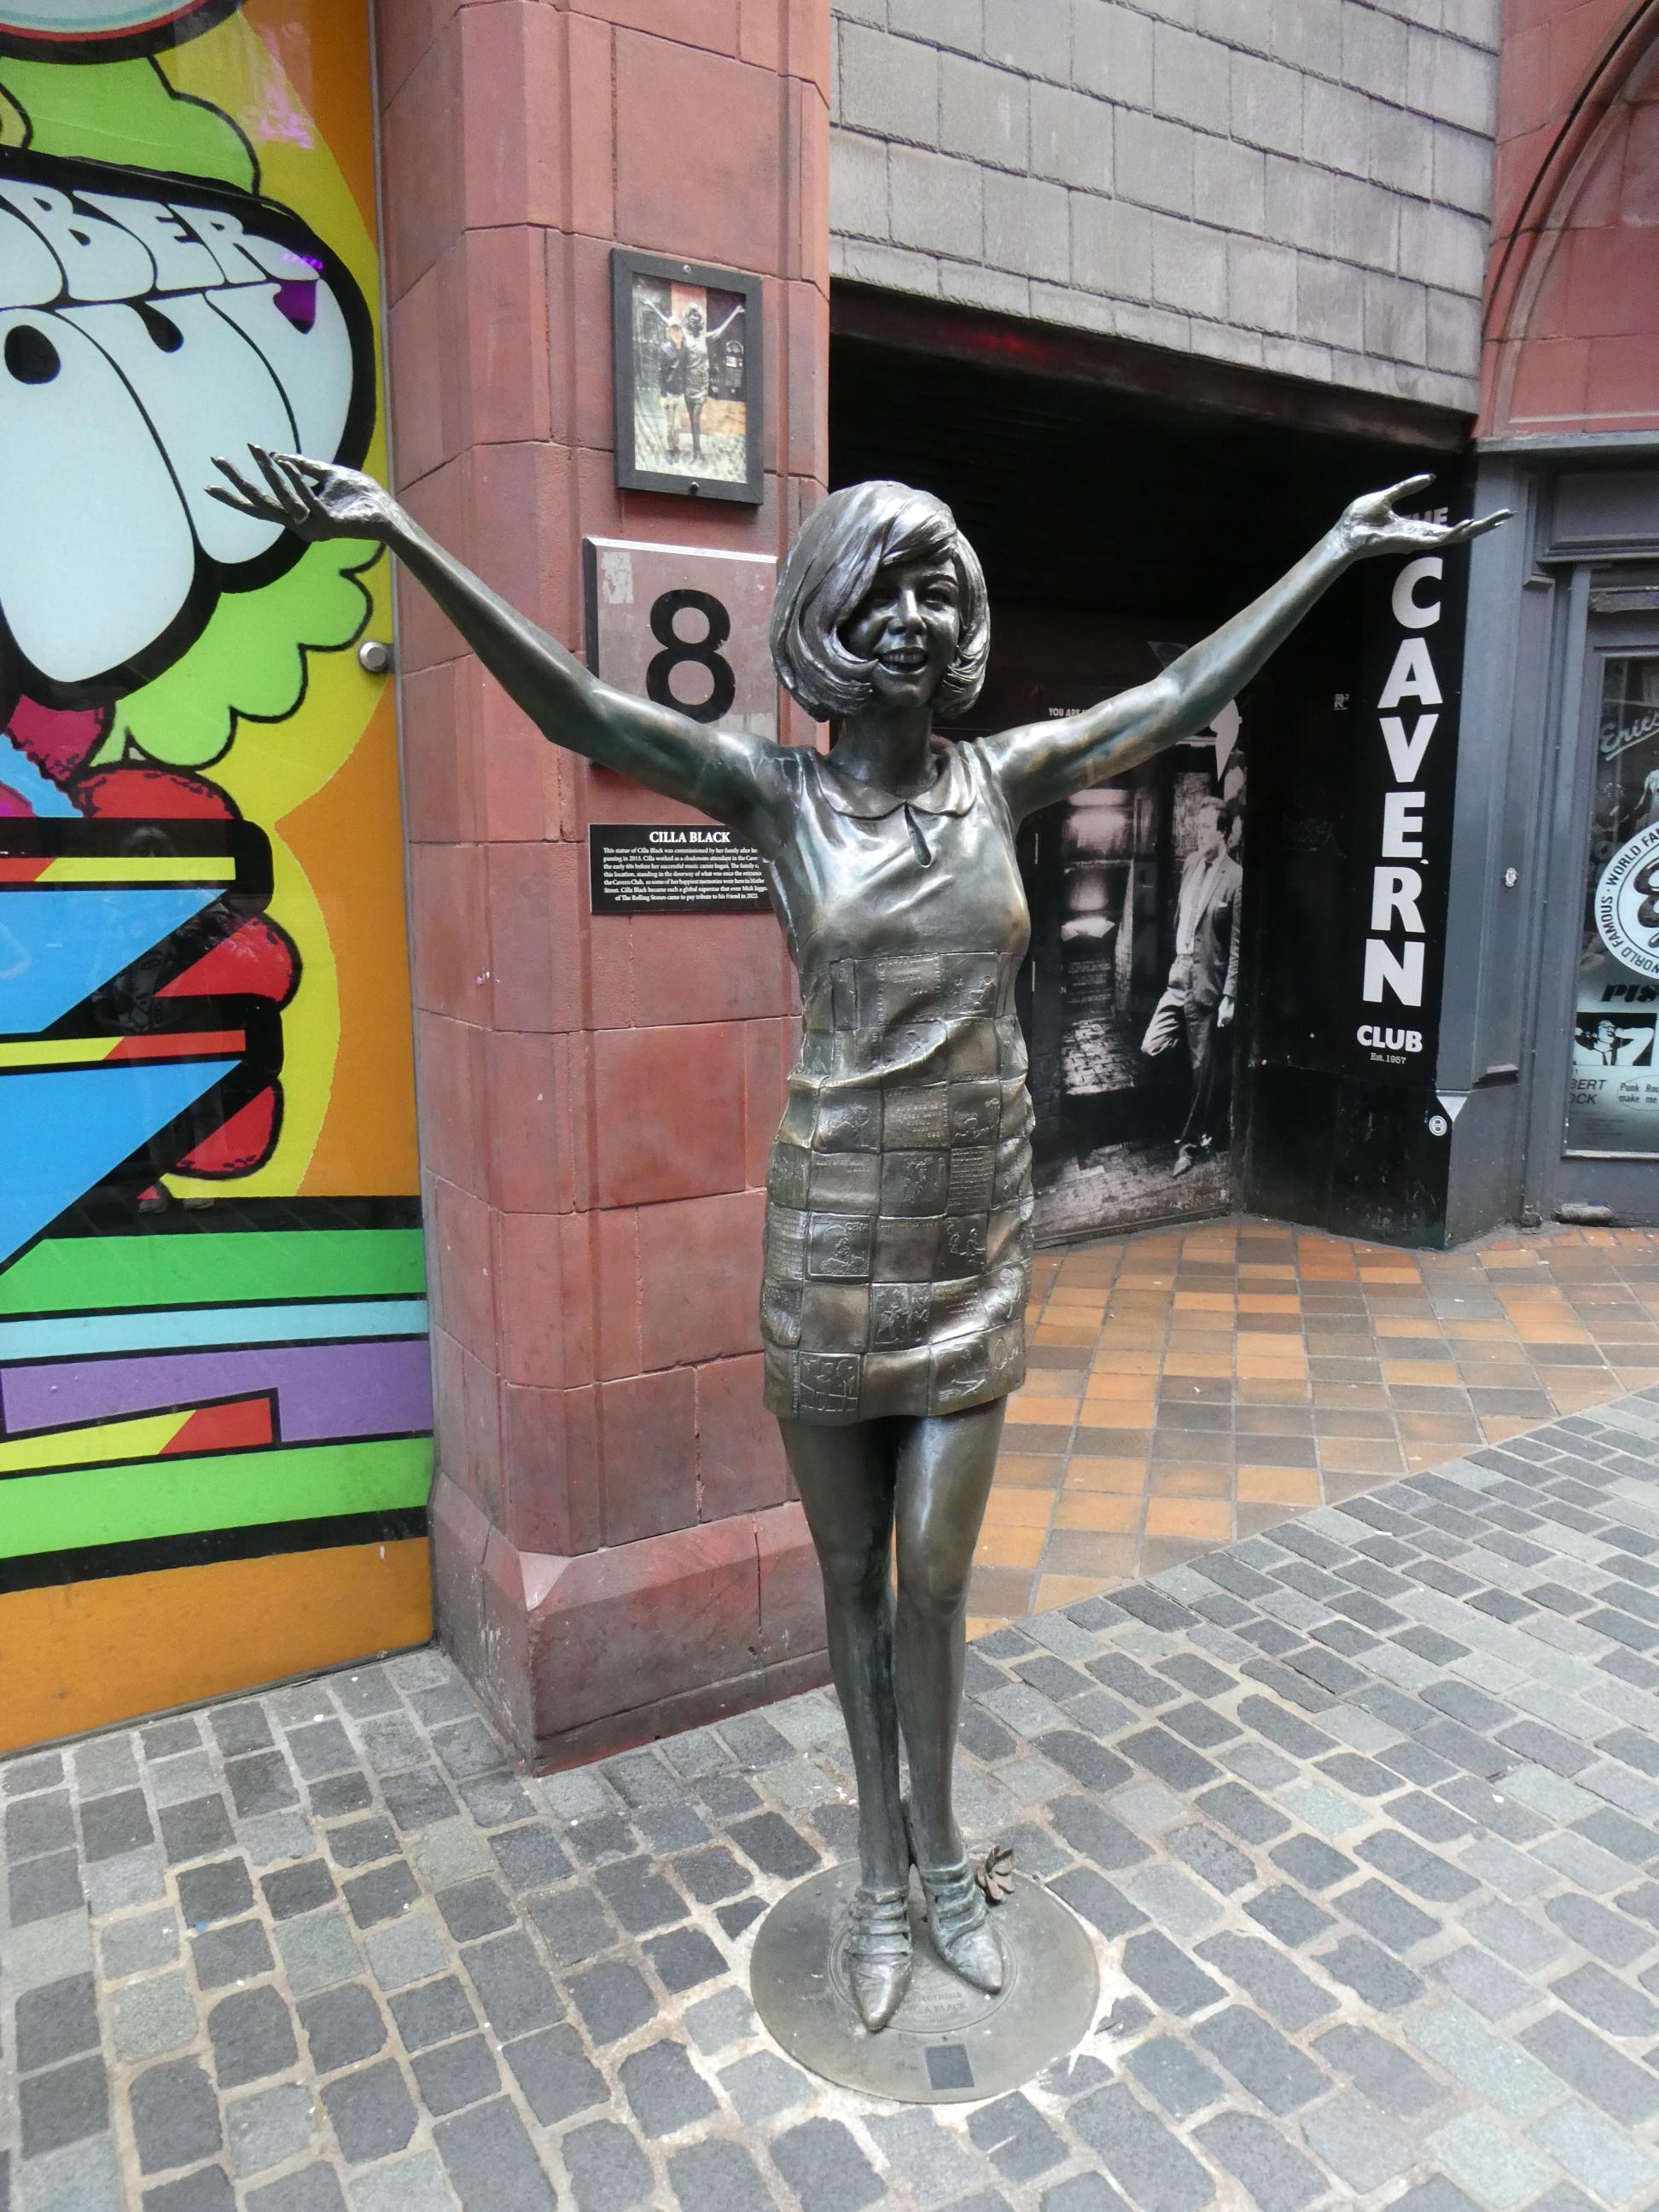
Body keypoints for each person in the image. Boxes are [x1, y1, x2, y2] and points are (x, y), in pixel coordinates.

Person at [207, 445, 1506, 2034]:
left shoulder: (1002, 779)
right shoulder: (778, 797)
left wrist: (1331, 552)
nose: (912, 616)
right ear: (826, 615)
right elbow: (580, 710)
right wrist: (406, 533)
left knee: (936, 1575)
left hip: (970, 1231)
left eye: (935, 589)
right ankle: (879, 1874)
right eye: (880, 588)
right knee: (852, 1576)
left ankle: (945, 1858)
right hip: (833, 1232)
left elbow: (1174, 695)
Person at [1140, 797, 1241, 1177]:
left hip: (1207, 986)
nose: (1199, 834)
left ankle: (1189, 1144)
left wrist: (1229, 996)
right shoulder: (1190, 864)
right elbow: (1182, 918)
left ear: (1223, 832)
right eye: (1197, 827)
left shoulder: (1236, 877)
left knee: (1203, 1071)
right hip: (1178, 975)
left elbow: (1237, 944)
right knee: (1152, 1045)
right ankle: (1200, 1112)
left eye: (1206, 828)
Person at [656, 321, 688, 457]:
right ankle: (669, 449)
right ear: (669, 333)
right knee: (669, 425)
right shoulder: (664, 349)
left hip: (680, 394)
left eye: (678, 330)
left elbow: (685, 370)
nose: (676, 333)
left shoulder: (685, 348)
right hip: (668, 394)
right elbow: (660, 374)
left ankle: (675, 445)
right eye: (674, 330)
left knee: (677, 425)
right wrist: (663, 396)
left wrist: (685, 391)